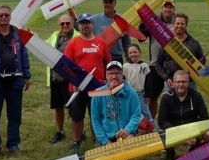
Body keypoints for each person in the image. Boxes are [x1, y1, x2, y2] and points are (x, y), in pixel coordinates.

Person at [0, 4, 31, 156]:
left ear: (10, 17)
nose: (3, 17)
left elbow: (24, 56)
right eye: (1, 15)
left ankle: (13, 144)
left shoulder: (17, 35)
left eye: (6, 15)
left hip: (15, 82)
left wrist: (26, 75)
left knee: (15, 116)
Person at [64, 13, 111, 152]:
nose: (85, 25)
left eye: (88, 22)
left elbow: (108, 62)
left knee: (97, 115)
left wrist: (106, 80)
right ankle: (76, 141)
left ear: (92, 25)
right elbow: (66, 66)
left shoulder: (101, 43)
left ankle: (98, 139)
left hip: (97, 87)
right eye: (82, 23)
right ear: (78, 25)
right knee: (77, 115)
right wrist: (73, 83)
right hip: (78, 87)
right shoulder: (73, 43)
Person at [158, 70, 209, 160]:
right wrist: (180, 134)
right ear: (173, 83)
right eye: (178, 82)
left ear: (189, 83)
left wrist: (195, 134)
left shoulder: (196, 96)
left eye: (184, 82)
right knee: (160, 135)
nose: (181, 84)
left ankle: (195, 149)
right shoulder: (166, 97)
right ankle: (170, 151)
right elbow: (162, 121)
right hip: (173, 130)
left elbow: (205, 118)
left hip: (192, 130)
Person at [90, 61, 142, 146]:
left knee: (127, 151)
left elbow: (136, 115)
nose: (114, 76)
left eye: (117, 73)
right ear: (106, 75)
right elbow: (95, 120)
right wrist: (105, 141)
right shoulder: (97, 94)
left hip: (126, 133)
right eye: (110, 73)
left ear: (122, 75)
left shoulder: (131, 93)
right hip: (106, 135)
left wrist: (127, 130)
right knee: (108, 158)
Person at [45, 14, 79, 144]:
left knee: (74, 108)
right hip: (55, 78)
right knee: (58, 107)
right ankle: (60, 132)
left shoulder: (77, 37)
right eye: (62, 24)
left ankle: (79, 132)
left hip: (70, 80)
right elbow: (44, 47)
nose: (65, 26)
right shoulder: (55, 35)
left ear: (72, 23)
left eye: (67, 23)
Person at [141, 0, 176, 120]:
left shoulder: (177, 22)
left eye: (170, 7)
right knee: (152, 97)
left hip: (171, 65)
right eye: (166, 7)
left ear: (173, 9)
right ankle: (151, 123)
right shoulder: (153, 21)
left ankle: (170, 121)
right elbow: (141, 38)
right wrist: (143, 23)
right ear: (162, 8)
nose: (168, 9)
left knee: (171, 95)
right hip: (155, 64)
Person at [154, 13, 205, 83]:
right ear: (173, 24)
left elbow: (202, 60)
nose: (180, 26)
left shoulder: (194, 43)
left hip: (189, 82)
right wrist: (166, 78)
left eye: (182, 24)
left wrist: (194, 71)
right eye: (177, 23)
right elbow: (158, 64)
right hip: (171, 82)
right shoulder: (166, 43)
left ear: (186, 25)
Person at [90, 0, 130, 64]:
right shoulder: (94, 19)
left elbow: (126, 39)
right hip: (99, 57)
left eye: (110, 2)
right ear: (102, 3)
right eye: (106, 2)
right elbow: (81, 27)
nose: (108, 4)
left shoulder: (121, 20)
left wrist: (127, 54)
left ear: (115, 3)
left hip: (116, 58)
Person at [122, 44, 155, 127]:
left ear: (139, 53)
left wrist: (148, 95)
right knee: (130, 112)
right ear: (128, 55)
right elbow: (122, 81)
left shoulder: (144, 66)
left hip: (140, 94)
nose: (133, 54)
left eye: (135, 52)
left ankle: (154, 128)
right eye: (130, 53)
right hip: (128, 94)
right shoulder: (125, 66)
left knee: (145, 112)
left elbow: (149, 82)